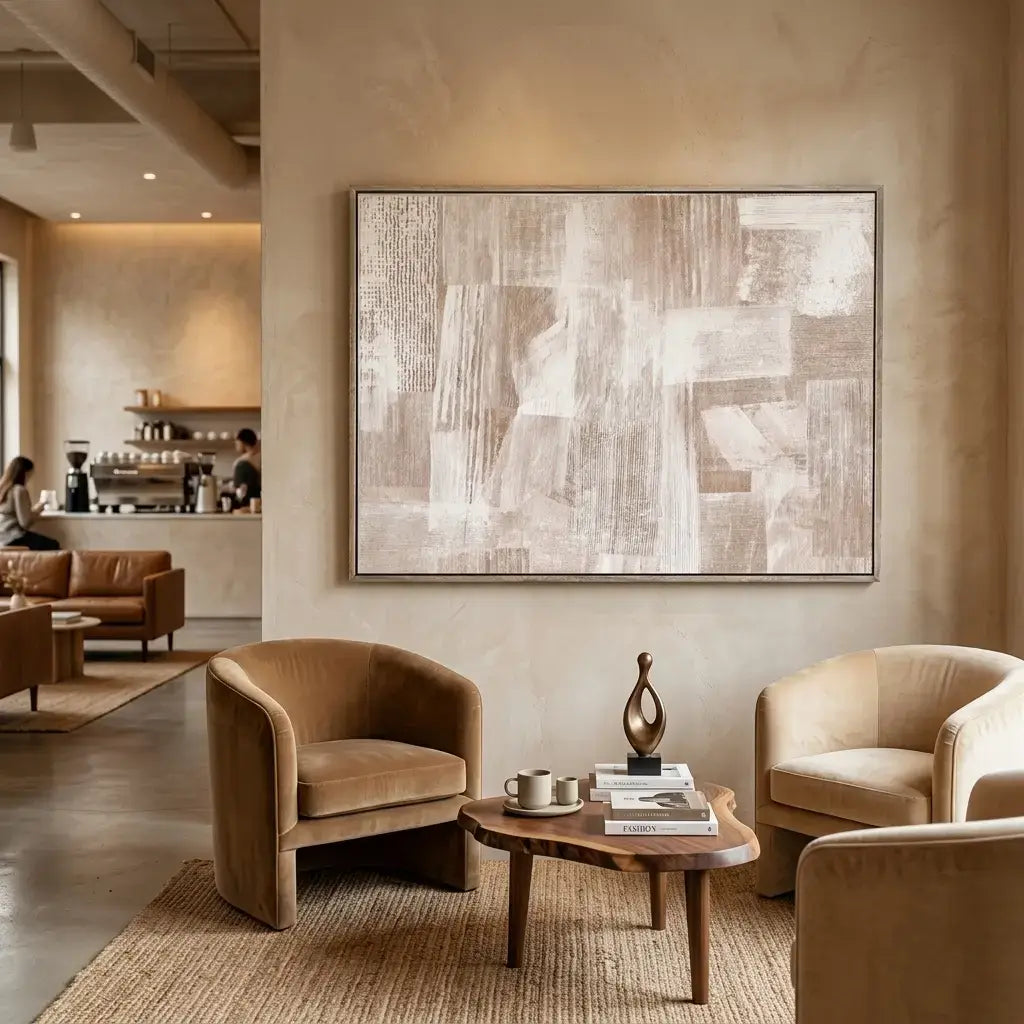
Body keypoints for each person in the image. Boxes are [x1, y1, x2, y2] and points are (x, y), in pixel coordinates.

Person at [0, 456, 59, 550]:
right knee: (54, 545)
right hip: (13, 538)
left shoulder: (3, 489)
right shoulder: (19, 490)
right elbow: (25, 522)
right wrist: (38, 509)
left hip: (2, 539)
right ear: (25, 473)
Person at [232, 428, 262, 507]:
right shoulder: (262, 457)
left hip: (247, 505)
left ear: (243, 442)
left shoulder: (241, 463)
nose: (236, 445)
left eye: (237, 443)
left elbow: (240, 490)